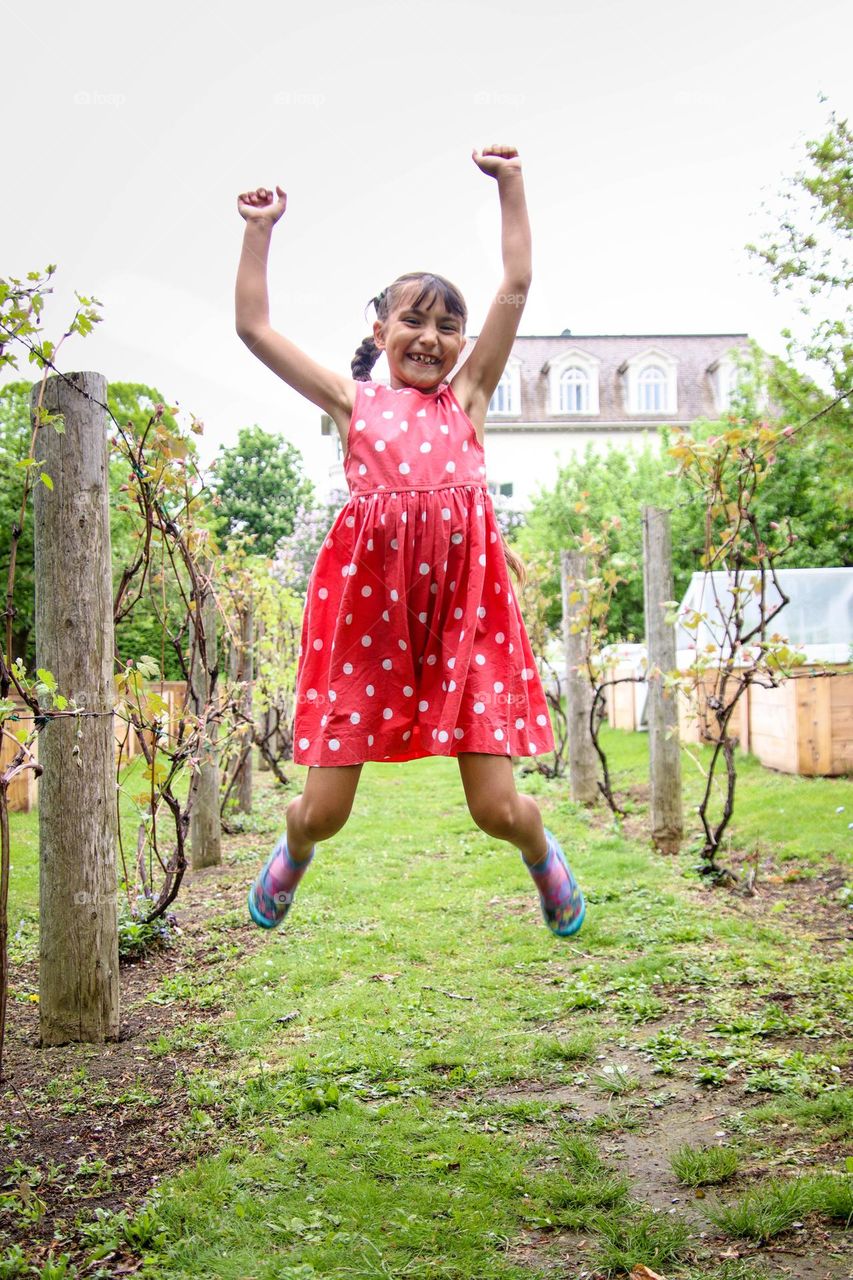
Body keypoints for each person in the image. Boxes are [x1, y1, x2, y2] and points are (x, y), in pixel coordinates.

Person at [234, 145, 584, 940]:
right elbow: (253, 328)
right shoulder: (350, 405)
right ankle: (293, 847)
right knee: (324, 812)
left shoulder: (468, 397)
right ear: (381, 329)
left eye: (447, 325)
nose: (430, 337)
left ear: (463, 341)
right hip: (368, 624)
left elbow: (516, 285)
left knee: (496, 809)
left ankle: (538, 850)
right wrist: (259, 231)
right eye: (413, 320)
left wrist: (512, 185)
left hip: (465, 624)